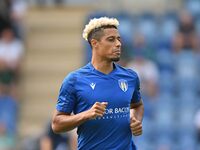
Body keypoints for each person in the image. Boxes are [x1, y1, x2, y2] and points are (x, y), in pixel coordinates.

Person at [52, 17, 144, 150]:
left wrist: (136, 120)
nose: (118, 44)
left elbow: (137, 105)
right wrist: (86, 114)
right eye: (111, 39)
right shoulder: (74, 80)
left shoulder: (130, 77)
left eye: (119, 39)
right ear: (95, 43)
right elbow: (57, 124)